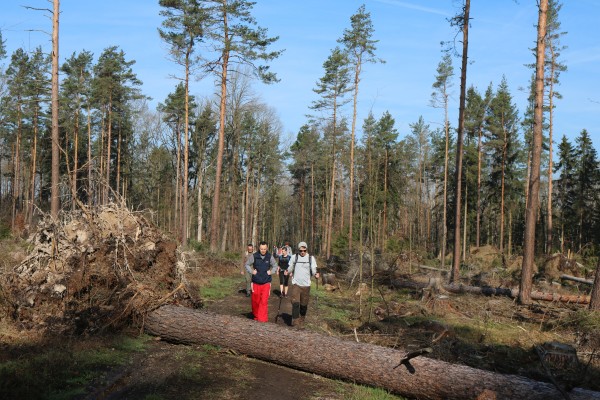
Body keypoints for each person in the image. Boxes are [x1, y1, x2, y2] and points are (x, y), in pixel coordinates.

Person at [287, 241, 319, 328]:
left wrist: (316, 274)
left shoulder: (311, 258)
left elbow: (313, 269)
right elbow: (290, 267)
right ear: (298, 250)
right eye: (301, 250)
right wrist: (288, 271)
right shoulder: (294, 257)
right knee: (295, 303)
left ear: (306, 250)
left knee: (304, 305)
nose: (302, 252)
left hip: (306, 285)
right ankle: (295, 321)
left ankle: (302, 318)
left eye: (304, 250)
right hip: (296, 284)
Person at [245, 241, 278, 322]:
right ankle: (256, 316)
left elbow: (275, 265)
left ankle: (262, 319)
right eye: (261, 249)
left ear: (267, 248)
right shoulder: (254, 256)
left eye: (264, 249)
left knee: (263, 301)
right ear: (259, 248)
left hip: (266, 282)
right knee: (255, 301)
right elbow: (247, 264)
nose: (263, 250)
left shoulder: (269, 256)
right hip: (256, 282)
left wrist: (271, 271)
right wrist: (252, 271)